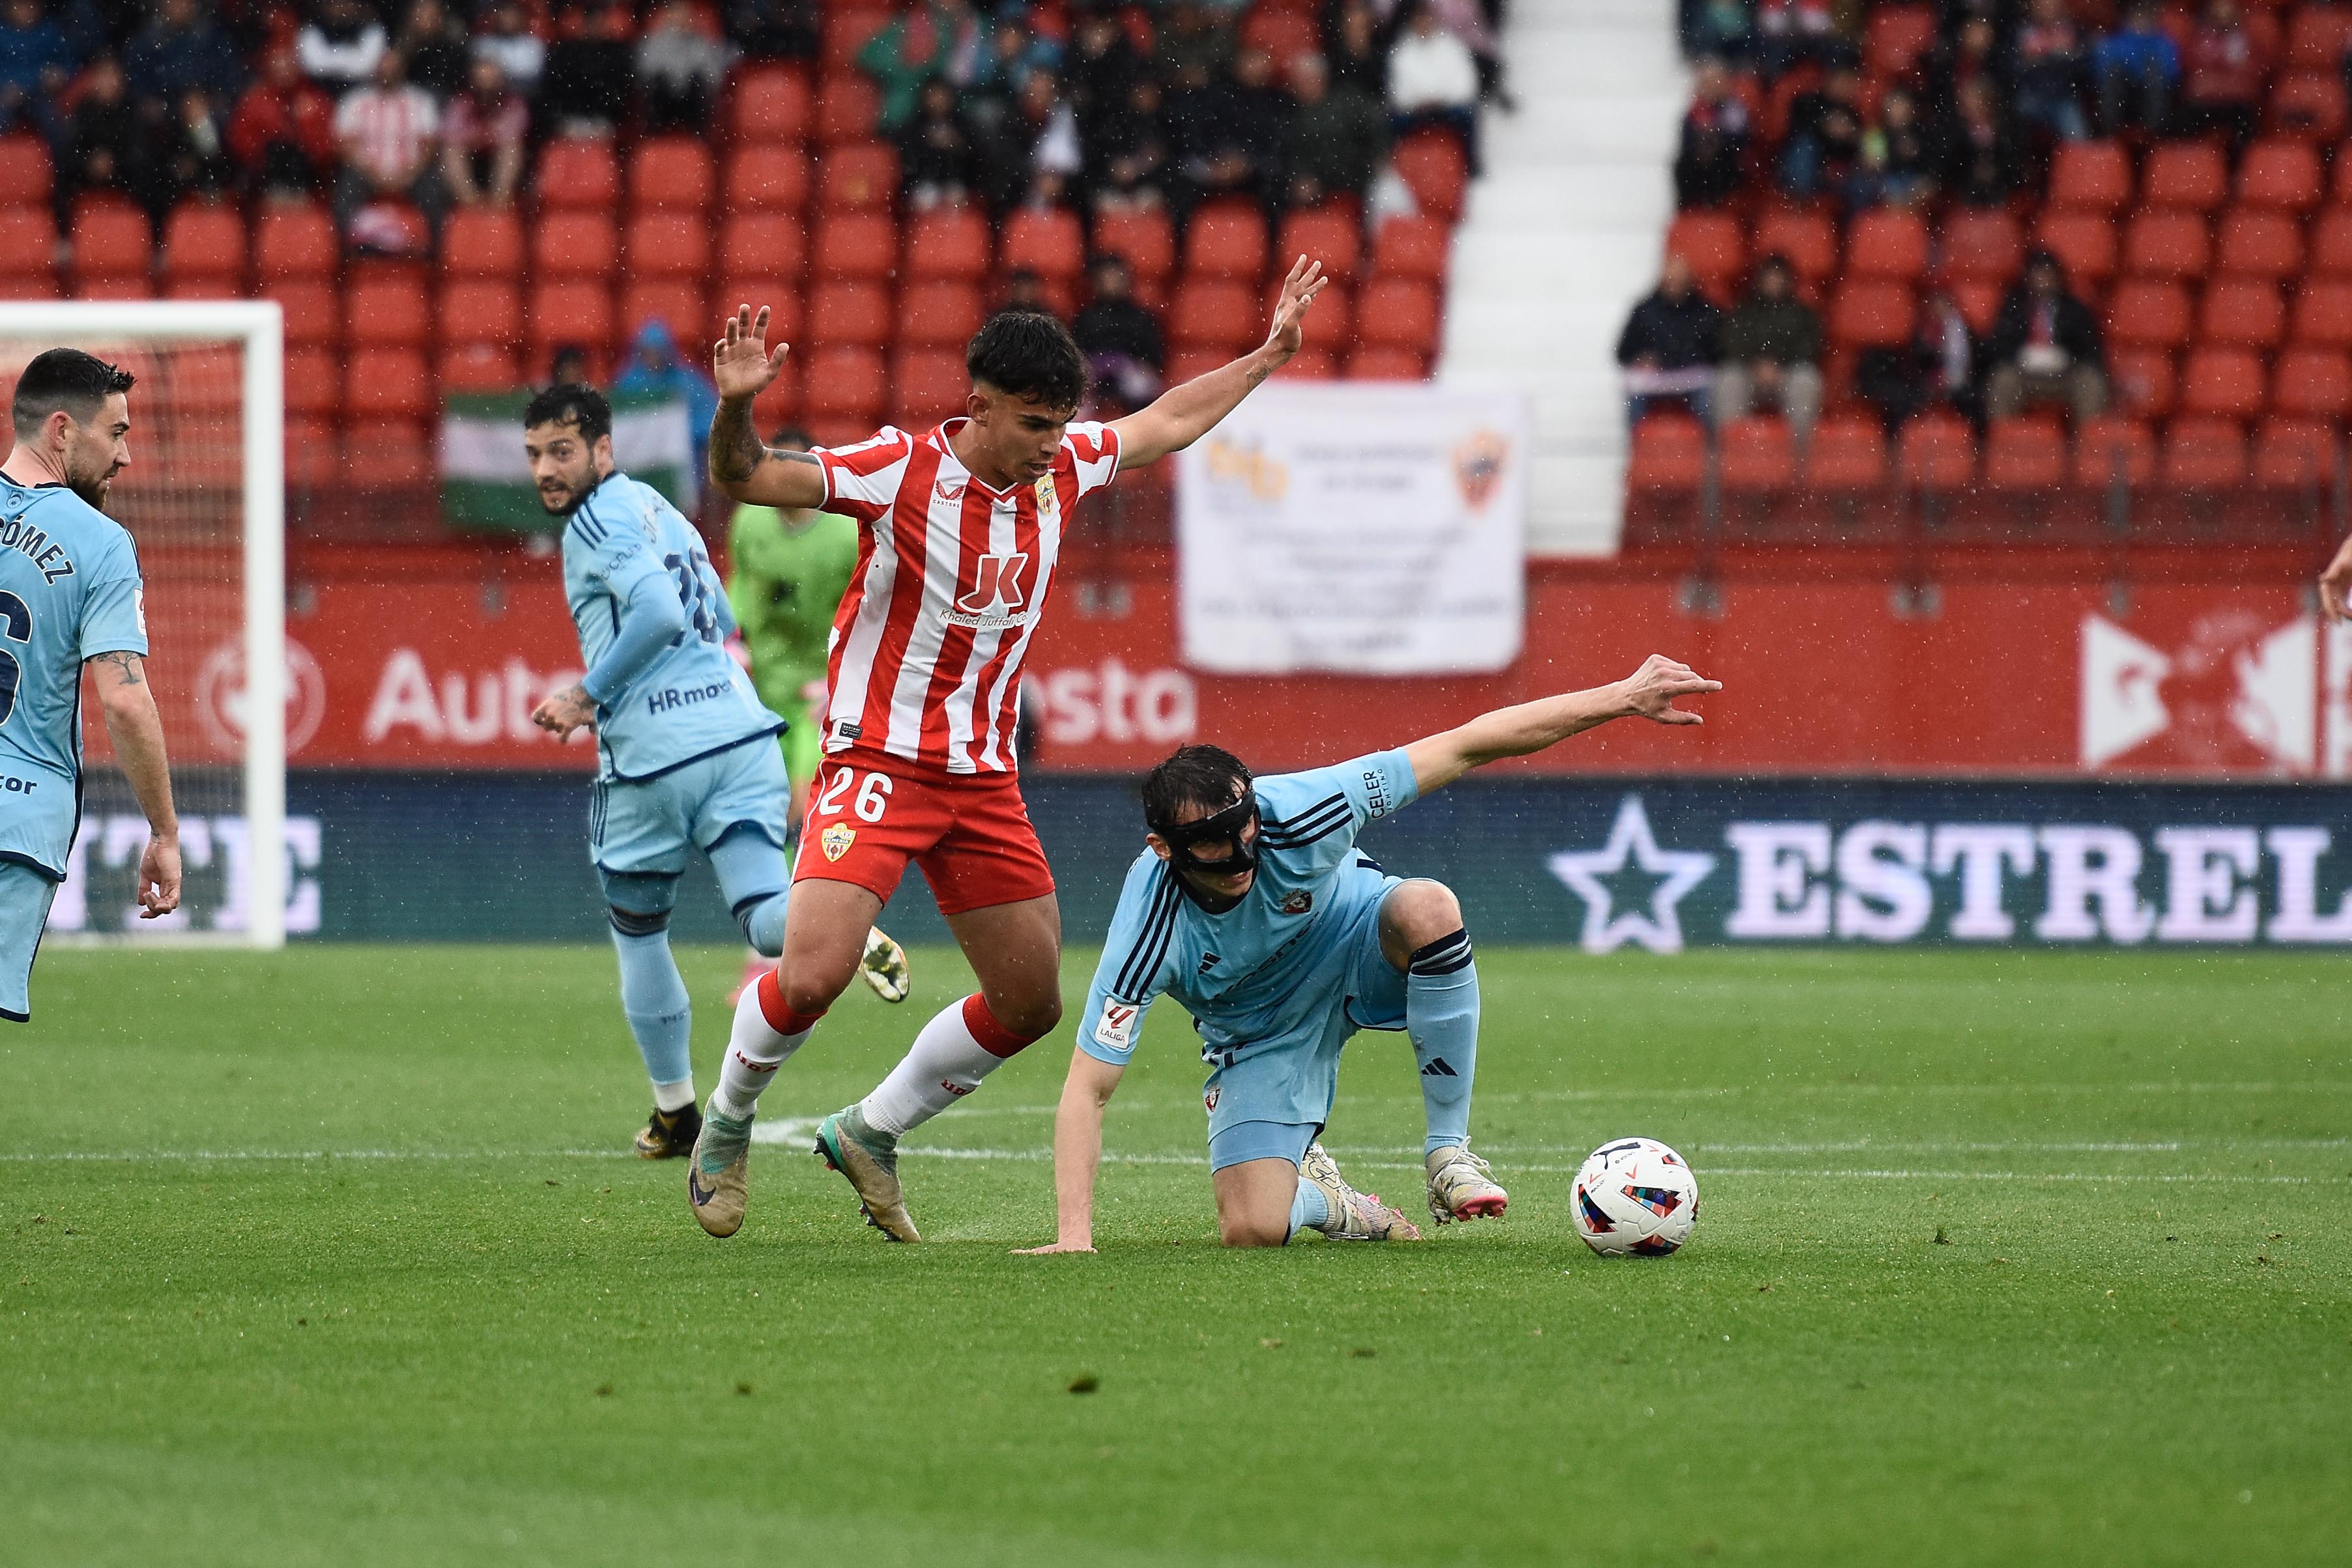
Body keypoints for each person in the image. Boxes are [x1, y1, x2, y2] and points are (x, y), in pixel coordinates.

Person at [687, 255, 1332, 1243]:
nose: (1050, 445)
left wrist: (1266, 355)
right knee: (813, 971)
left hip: (983, 777)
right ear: (979, 405)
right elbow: (745, 474)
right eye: (1033, 425)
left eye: (1059, 423)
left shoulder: (1065, 463)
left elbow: (1162, 422)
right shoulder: (897, 468)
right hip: (878, 760)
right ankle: (727, 1121)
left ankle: (870, 1129)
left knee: (1029, 1000)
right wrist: (736, 410)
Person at [1018, 655, 1721, 1253]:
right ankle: (1332, 1202)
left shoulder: (1310, 806)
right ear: (1163, 849)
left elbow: (1470, 743)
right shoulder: (1148, 926)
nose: (1240, 859)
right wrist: (1073, 1233)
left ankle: (1448, 1152)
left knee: (1427, 905)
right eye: (1210, 846)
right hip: (1261, 1031)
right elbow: (1088, 1086)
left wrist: (1620, 696)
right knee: (1251, 1229)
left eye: (1246, 830)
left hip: (1355, 942)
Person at [520, 384, 908, 1162]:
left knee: (638, 931)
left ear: (603, 450)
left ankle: (674, 1114)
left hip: (656, 756)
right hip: (742, 734)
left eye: (561, 451)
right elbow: (719, 620)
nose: (545, 471)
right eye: (533, 455)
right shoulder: (662, 510)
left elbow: (661, 615)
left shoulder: (595, 521)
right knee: (766, 910)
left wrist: (585, 694)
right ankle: (846, 927)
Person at [0, 349, 181, 1019]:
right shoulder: (100, 542)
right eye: (117, 433)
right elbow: (126, 700)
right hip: (16, 816)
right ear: (62, 430)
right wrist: (163, 831)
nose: (125, 457)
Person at [721, 423, 862, 997]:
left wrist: (841, 676)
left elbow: (866, 603)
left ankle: (794, 950)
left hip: (818, 697)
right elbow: (741, 592)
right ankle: (776, 950)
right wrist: (733, 647)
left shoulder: (845, 532)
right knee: (766, 814)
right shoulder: (751, 521)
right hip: (764, 694)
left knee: (804, 813)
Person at [1983, 249, 2107, 423]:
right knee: (2002, 380)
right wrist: (2022, 355)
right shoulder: (2014, 307)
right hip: (2023, 375)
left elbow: (2090, 350)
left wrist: (2066, 357)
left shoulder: (2074, 310)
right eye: (2038, 275)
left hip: (2064, 376)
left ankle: (2089, 444)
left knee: (2091, 382)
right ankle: (2003, 441)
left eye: (2047, 275)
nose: (2042, 282)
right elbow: (1998, 346)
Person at [331, 50, 444, 238]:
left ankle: (434, 253)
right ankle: (343, 254)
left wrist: (408, 174)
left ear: (402, 70)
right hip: (365, 172)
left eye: (393, 69)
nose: (388, 73)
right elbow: (346, 147)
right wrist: (372, 174)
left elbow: (429, 147)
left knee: (434, 190)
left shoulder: (421, 101)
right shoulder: (354, 101)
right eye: (384, 69)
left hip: (411, 172)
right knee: (345, 190)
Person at [1714, 254, 1823, 448]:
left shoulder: (1802, 313)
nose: (1773, 282)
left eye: (1778, 277)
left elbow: (1810, 346)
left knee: (1806, 380)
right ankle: (1732, 451)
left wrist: (1780, 365)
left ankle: (1799, 454)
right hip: (1750, 375)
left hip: (1787, 375)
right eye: (1769, 277)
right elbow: (1732, 342)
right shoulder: (1745, 311)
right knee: (1729, 379)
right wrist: (1755, 365)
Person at [1616, 252, 1721, 428]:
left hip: (1693, 377)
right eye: (1671, 281)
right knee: (1634, 396)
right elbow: (1623, 352)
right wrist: (1642, 358)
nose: (1675, 287)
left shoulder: (1706, 312)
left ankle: (1709, 448)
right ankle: (1638, 446)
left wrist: (1681, 360)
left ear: (1690, 281)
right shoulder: (1644, 311)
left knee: (1707, 400)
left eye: (1680, 281)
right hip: (1654, 378)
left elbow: (1715, 353)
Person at [229, 45, 339, 199]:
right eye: (278, 66)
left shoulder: (317, 102)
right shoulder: (254, 103)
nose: (284, 72)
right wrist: (266, 157)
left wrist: (303, 147)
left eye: (288, 65)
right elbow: (240, 143)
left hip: (309, 181)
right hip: (266, 181)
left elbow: (327, 146)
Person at [1387, 0, 1481, 175]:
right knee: (1392, 123)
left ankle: (1471, 166)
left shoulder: (1453, 47)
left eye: (1427, 18)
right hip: (1416, 112)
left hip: (1447, 109)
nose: (1424, 23)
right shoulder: (1402, 51)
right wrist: (1420, 103)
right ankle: (1397, 171)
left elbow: (1465, 85)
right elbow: (1398, 91)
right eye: (1419, 18)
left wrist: (1441, 100)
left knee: (1468, 117)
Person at [1285, 50, 1388, 209]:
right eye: (1297, 80)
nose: (1300, 85)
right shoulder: (1290, 113)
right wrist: (1301, 177)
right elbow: (1293, 154)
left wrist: (1379, 155)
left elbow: (1376, 125)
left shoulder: (1348, 102)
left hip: (1359, 176)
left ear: (1321, 78)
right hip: (1320, 184)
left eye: (1306, 79)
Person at [1072, 252, 1165, 410]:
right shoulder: (1086, 317)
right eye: (1106, 277)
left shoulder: (1141, 317)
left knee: (1141, 387)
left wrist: (1126, 364)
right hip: (1094, 375)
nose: (1111, 282)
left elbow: (1153, 358)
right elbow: (1076, 354)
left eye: (1115, 277)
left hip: (1130, 373)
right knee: (1075, 396)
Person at [439, 57, 528, 210]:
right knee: (451, 151)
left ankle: (499, 199)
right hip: (472, 161)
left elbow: (511, 135)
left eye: (491, 81)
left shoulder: (514, 104)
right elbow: (452, 137)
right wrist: (483, 137)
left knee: (512, 149)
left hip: (499, 162)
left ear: (501, 82)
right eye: (481, 81)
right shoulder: (460, 103)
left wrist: (480, 137)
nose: (486, 87)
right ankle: (468, 200)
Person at [2178, 0, 2266, 152]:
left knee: (2245, 121)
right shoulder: (2200, 40)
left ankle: (2241, 167)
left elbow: (2253, 73)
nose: (2223, 17)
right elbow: (2191, 68)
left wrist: (2218, 80)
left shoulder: (2246, 41)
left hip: (2235, 101)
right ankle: (2193, 162)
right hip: (2205, 100)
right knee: (2186, 118)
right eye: (2218, 13)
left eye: (2227, 13)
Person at [636, 0, 728, 134]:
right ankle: (655, 134)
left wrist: (685, 79)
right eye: (675, 14)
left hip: (691, 101)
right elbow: (646, 72)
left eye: (683, 15)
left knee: (697, 83)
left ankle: (698, 135)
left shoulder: (700, 42)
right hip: (664, 99)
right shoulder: (654, 42)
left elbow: (713, 75)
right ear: (668, 17)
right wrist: (675, 80)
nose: (679, 19)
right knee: (659, 83)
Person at [1672, 56, 1749, 210]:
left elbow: (1741, 140)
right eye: (1706, 82)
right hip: (1699, 158)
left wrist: (1717, 140)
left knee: (1723, 165)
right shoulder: (1697, 109)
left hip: (1727, 159)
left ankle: (1716, 204)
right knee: (1684, 165)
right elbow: (1686, 138)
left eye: (1714, 81)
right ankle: (1690, 206)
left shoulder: (1733, 109)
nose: (1709, 86)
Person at [2011, 0, 2091, 145]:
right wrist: (2055, 59)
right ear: (2034, 8)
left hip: (2063, 97)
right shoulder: (2023, 33)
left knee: (2079, 141)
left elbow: (2082, 63)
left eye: (2052, 6)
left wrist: (2042, 60)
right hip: (2031, 95)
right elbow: (2014, 67)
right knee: (2013, 130)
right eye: (2043, 6)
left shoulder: (2070, 31)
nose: (2048, 11)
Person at [2095, 1, 2178, 135]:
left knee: (2154, 75)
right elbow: (2102, 71)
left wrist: (2144, 71)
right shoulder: (2115, 41)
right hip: (2123, 97)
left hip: (2153, 97)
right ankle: (2109, 134)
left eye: (2145, 15)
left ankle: (2155, 135)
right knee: (2114, 75)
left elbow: (2172, 74)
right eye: (2137, 15)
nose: (2141, 20)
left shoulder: (2164, 43)